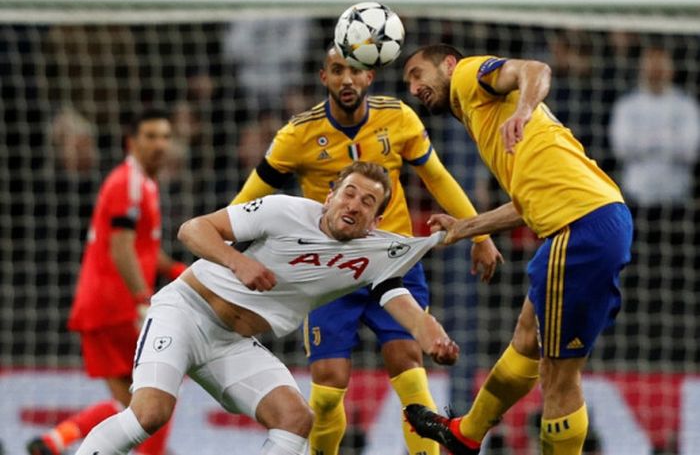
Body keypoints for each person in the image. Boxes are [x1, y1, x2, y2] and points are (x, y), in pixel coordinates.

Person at [71, 161, 460, 455]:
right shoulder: (283, 210)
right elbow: (192, 229)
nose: (354, 204)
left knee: (295, 419)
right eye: (349, 193)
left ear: (375, 221)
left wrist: (431, 336)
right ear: (330, 196)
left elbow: (400, 300)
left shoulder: (372, 255)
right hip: (185, 312)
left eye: (367, 202)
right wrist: (238, 261)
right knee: (149, 415)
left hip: (232, 343)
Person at [232, 44, 502, 455]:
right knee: (326, 386)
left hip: (392, 263)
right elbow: (247, 203)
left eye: (355, 71)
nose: (347, 79)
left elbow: (439, 178)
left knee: (409, 365)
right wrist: (224, 255)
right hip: (328, 268)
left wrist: (479, 235)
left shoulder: (398, 118)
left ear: (369, 77)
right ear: (324, 78)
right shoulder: (296, 135)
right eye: (337, 70)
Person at [401, 44, 633, 455]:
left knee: (558, 375)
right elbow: (527, 206)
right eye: (408, 83)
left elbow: (536, 69)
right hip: (576, 223)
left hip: (582, 227)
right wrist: (468, 228)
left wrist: (523, 110)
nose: (414, 87)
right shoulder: (483, 119)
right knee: (527, 339)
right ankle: (465, 433)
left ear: (449, 65)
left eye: (418, 74)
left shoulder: (472, 77)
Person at [27, 110, 187, 455]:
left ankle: (56, 440)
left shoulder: (142, 182)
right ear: (132, 142)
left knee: (134, 405)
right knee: (163, 386)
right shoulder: (126, 182)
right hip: (118, 307)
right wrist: (143, 300)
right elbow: (121, 247)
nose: (160, 144)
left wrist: (180, 272)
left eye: (165, 136)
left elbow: (145, 250)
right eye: (151, 136)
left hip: (102, 308)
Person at [609, 45, 700, 206]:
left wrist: (645, 140)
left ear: (672, 69)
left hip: (677, 198)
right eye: (651, 64)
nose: (655, 70)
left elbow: (691, 150)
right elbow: (621, 149)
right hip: (636, 196)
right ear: (641, 68)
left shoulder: (687, 105)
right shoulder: (627, 105)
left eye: (661, 64)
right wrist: (669, 138)